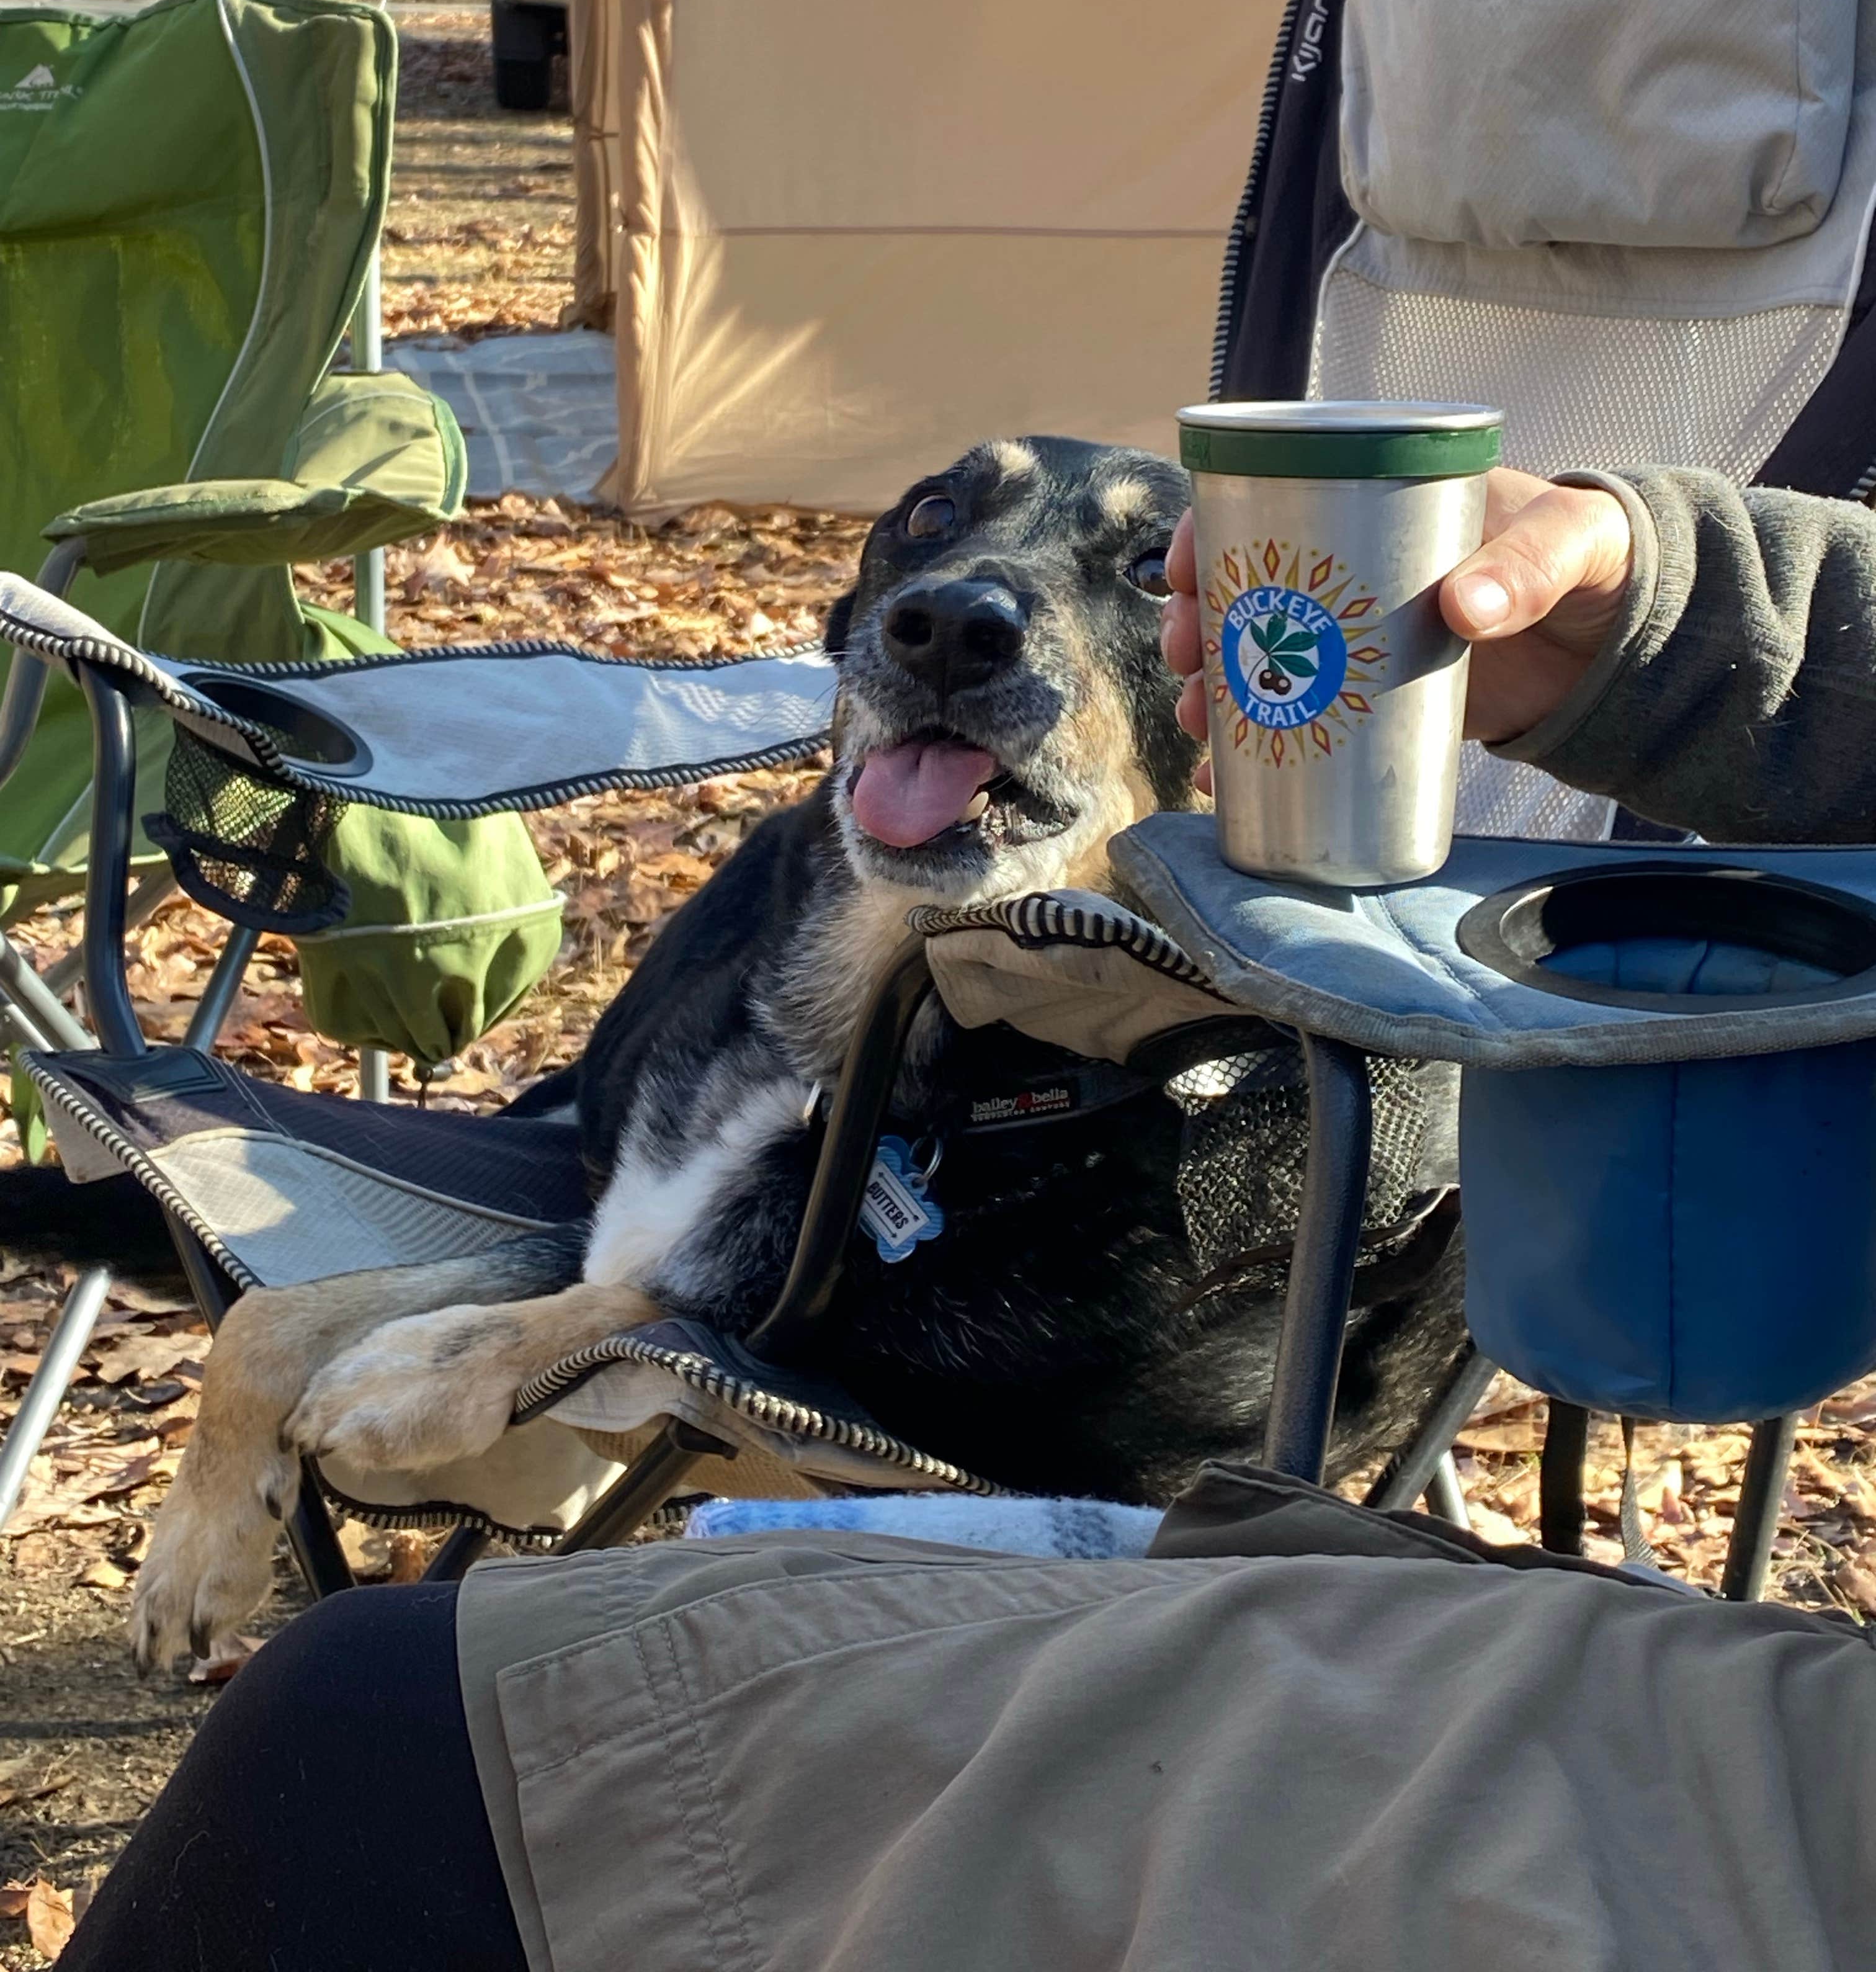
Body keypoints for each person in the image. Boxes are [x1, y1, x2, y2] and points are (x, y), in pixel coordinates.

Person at [61, 464, 1876, 1972]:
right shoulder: (773, 930)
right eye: (933, 544)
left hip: (1093, 1462)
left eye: (1124, 575)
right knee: (347, 1718)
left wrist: (594, 1329)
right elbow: (598, 1216)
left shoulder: (1201, 1157)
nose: (966, 604)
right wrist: (1669, 600)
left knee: (351, 1726)